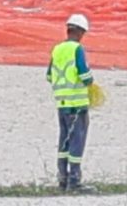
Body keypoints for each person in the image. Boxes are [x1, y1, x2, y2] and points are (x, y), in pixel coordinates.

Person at [47, 13, 96, 192]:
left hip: (62, 104)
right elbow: (84, 75)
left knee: (64, 141)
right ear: (80, 32)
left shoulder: (57, 49)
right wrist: (91, 82)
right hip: (77, 104)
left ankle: (63, 179)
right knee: (77, 140)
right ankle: (74, 181)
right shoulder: (77, 49)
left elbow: (49, 75)